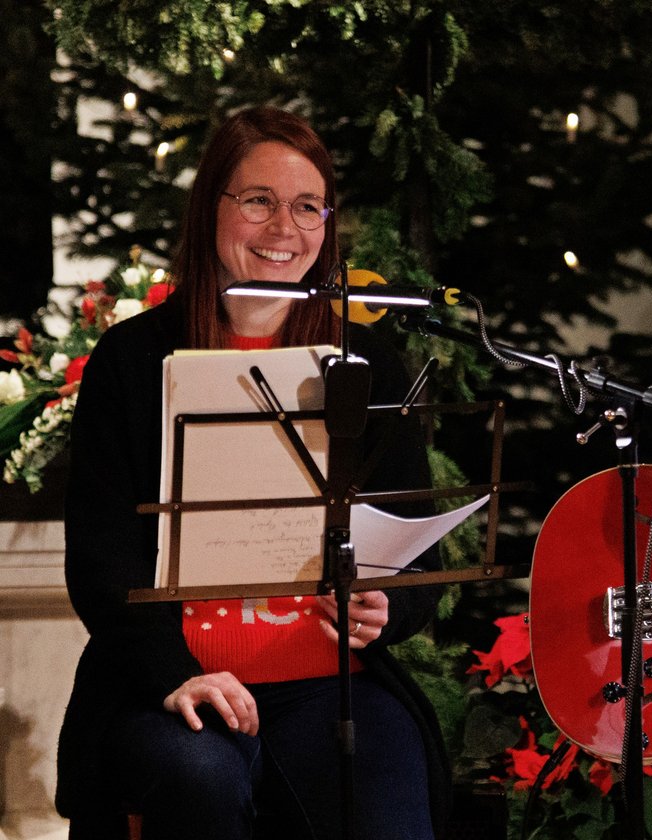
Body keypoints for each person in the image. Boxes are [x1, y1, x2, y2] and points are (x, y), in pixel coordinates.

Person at [56, 107, 449, 840]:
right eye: (259, 201)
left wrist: (388, 606)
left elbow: (418, 554)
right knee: (197, 778)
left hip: (331, 687)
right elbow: (100, 559)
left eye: (307, 207)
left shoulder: (366, 360)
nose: (284, 228)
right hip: (176, 682)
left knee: (387, 803)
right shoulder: (132, 358)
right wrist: (175, 673)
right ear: (211, 207)